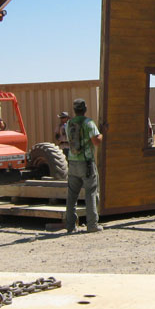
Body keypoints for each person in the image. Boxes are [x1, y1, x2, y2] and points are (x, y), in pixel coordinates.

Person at [63, 98, 103, 234]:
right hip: (86, 163)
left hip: (72, 162)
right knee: (91, 193)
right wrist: (102, 134)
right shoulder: (88, 123)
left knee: (72, 195)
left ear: (74, 110)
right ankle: (92, 225)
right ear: (85, 109)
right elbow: (96, 141)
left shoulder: (68, 123)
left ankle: (70, 226)